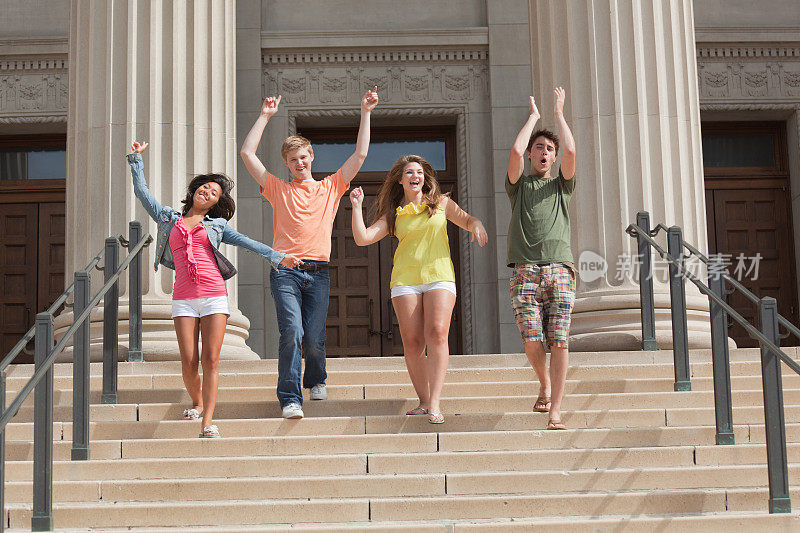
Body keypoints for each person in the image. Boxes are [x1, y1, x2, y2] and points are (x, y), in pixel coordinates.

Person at [127, 141, 301, 437]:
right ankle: (196, 400)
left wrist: (278, 256)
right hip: (183, 297)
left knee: (211, 359)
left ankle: (208, 419)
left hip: (214, 296)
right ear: (194, 191)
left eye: (213, 193)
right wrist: (136, 160)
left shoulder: (217, 225)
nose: (206, 193)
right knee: (188, 362)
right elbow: (143, 195)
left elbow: (247, 242)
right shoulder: (169, 218)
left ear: (215, 203)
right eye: (204, 188)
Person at [240, 88, 379, 419]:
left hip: (318, 273)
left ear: (311, 156)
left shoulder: (331, 187)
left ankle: (316, 379)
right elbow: (247, 154)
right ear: (286, 165)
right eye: (292, 160)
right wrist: (264, 115)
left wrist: (365, 112)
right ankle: (290, 397)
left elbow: (360, 155)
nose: (299, 163)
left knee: (314, 340)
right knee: (292, 333)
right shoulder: (278, 188)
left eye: (303, 157)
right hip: (286, 271)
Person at [349, 155, 487, 424]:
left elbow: (466, 219)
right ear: (400, 180)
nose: (416, 176)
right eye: (410, 172)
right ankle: (423, 401)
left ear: (425, 178)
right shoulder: (394, 214)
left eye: (420, 172)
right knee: (413, 343)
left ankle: (435, 403)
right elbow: (362, 238)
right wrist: (356, 206)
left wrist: (476, 223)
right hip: (405, 281)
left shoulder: (441, 204)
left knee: (436, 333)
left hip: (440, 276)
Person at [506, 88, 577, 430]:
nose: (544, 152)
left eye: (550, 149)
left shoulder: (563, 185)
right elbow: (515, 150)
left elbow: (572, 150)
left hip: (559, 268)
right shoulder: (519, 187)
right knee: (532, 338)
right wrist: (534, 116)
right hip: (525, 270)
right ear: (532, 156)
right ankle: (544, 383)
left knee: (559, 338)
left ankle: (556, 410)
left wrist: (559, 113)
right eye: (540, 148)